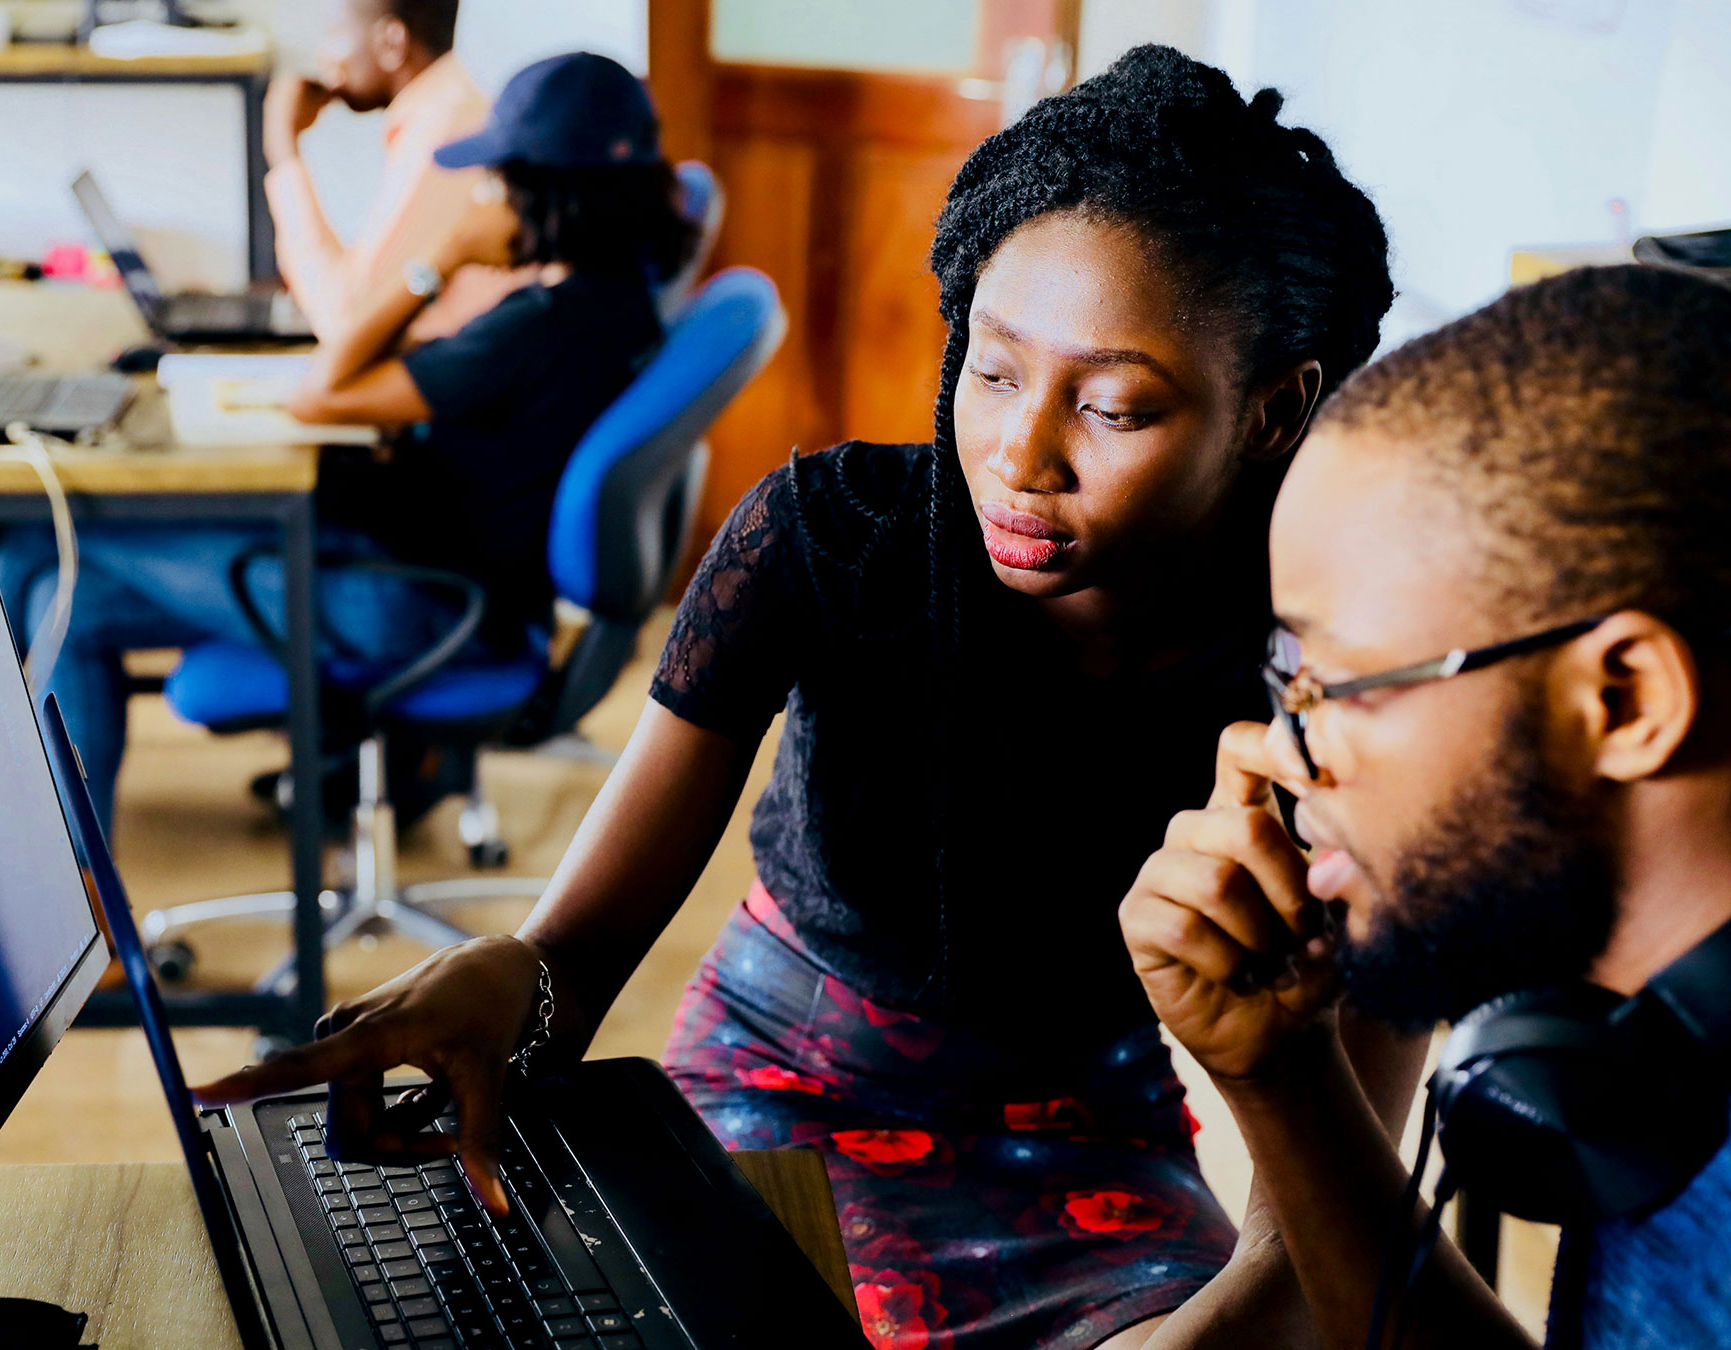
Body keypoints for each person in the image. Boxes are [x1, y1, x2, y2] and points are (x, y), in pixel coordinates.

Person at [197, 47, 1403, 1350]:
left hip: (1090, 1142)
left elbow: (1319, 1235)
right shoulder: (830, 544)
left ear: (1276, 410)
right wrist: (510, 982)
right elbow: (574, 961)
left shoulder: (1345, 677)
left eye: (1112, 406)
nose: (1020, 454)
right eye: (991, 372)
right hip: (777, 1087)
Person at [1119, 265, 1731, 1349]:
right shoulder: (1646, 1050)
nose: (1276, 754)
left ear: (1624, 699)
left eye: (1335, 686)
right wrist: (1284, 1077)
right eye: (1282, 676)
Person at [0, 52, 696, 823]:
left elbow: (322, 390)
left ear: (545, 190)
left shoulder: (536, 330)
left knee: (39, 556)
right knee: (68, 596)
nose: (481, 193)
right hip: (447, 584)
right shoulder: (618, 303)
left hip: (413, 606)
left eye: (496, 176)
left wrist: (442, 256)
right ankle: (87, 891)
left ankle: (50, 871)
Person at [265, 0, 525, 343]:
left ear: (392, 43)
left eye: (333, 34)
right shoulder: (446, 113)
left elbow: (348, 323)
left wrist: (283, 151)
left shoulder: (443, 135)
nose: (322, 55)